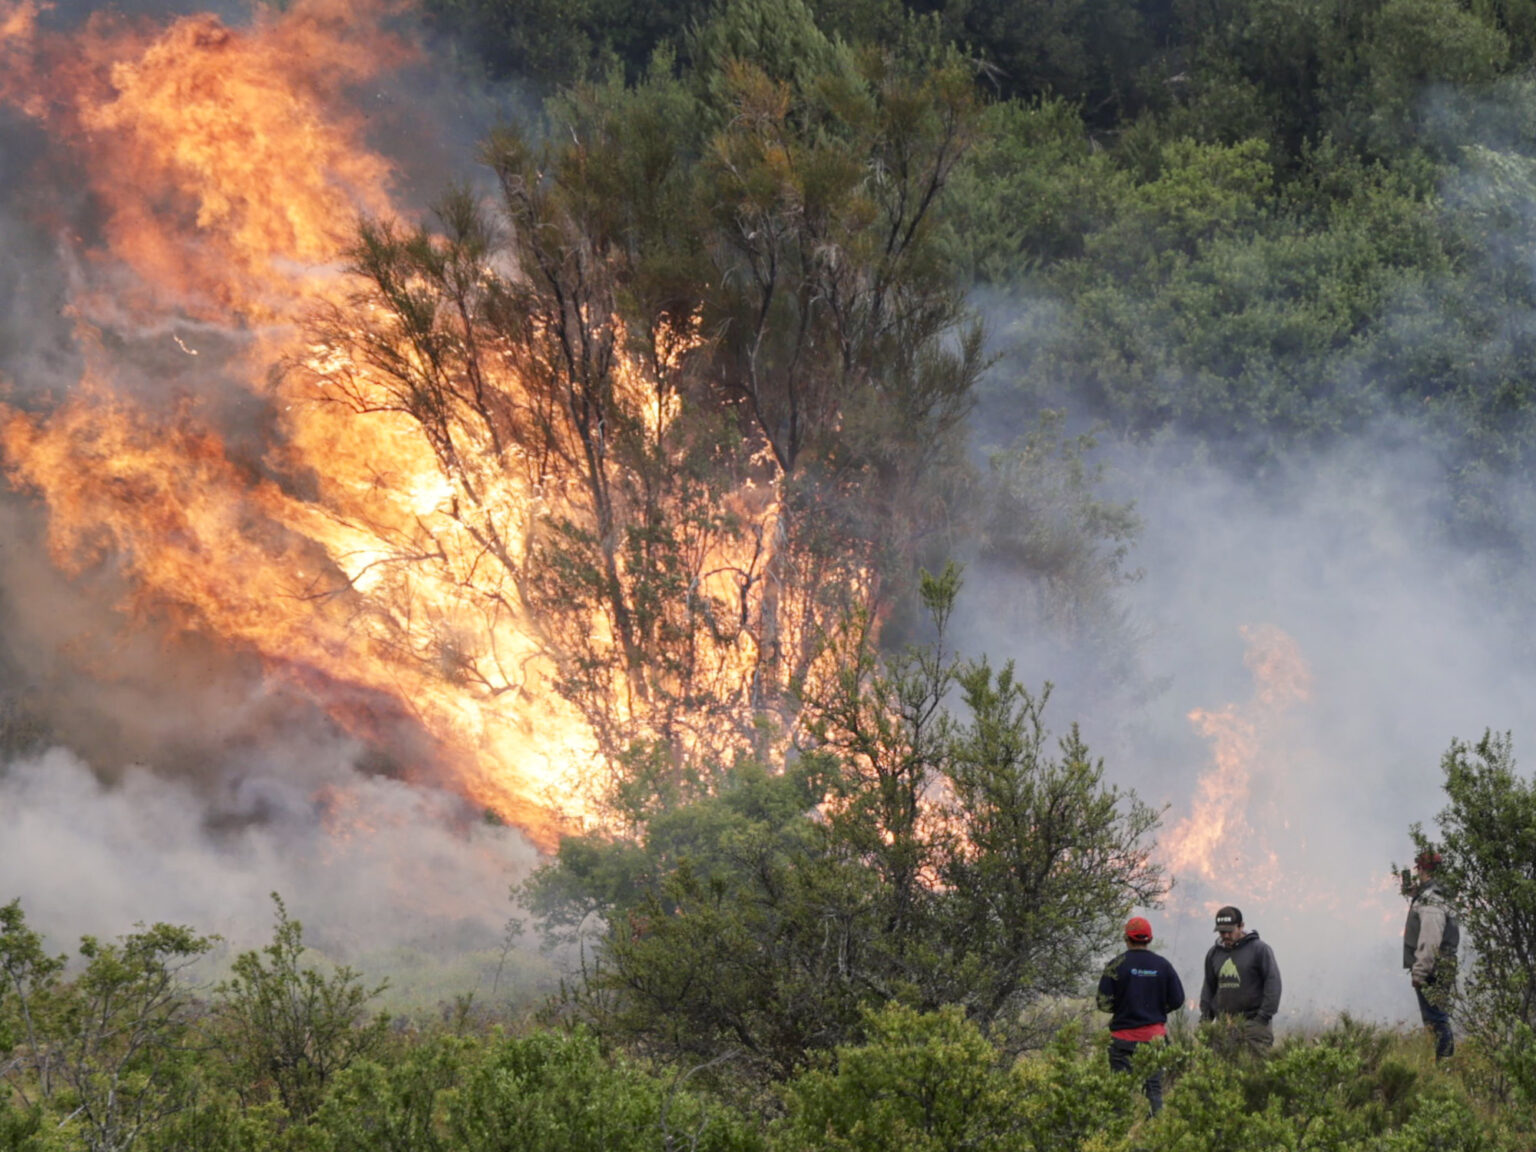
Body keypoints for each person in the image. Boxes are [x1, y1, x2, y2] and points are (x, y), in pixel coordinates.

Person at [1097, 915, 1185, 1114]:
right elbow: (1178, 1000)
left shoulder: (1116, 964)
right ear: (1150, 939)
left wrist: (1121, 1008)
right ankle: (1155, 1132)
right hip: (1153, 1039)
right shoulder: (1163, 965)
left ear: (1126, 939)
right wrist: (1158, 1009)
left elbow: (1103, 1003)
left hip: (1122, 1040)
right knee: (1154, 1089)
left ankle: (1120, 1132)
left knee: (1120, 1090)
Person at [1199, 905, 1281, 1057]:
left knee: (1256, 1076)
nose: (1226, 935)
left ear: (1241, 926)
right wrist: (1205, 1019)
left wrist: (1262, 1018)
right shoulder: (1214, 954)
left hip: (1254, 1026)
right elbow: (1209, 988)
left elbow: (1273, 984)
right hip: (1223, 1026)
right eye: (1222, 932)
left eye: (1230, 931)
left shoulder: (1260, 950)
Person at [1403, 849, 1459, 1060]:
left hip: (1433, 968)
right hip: (1442, 965)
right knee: (1437, 1018)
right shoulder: (1439, 895)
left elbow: (1430, 941)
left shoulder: (1431, 902)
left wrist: (1420, 972)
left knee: (1436, 1019)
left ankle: (1444, 1063)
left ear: (1423, 869)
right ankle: (1443, 1061)